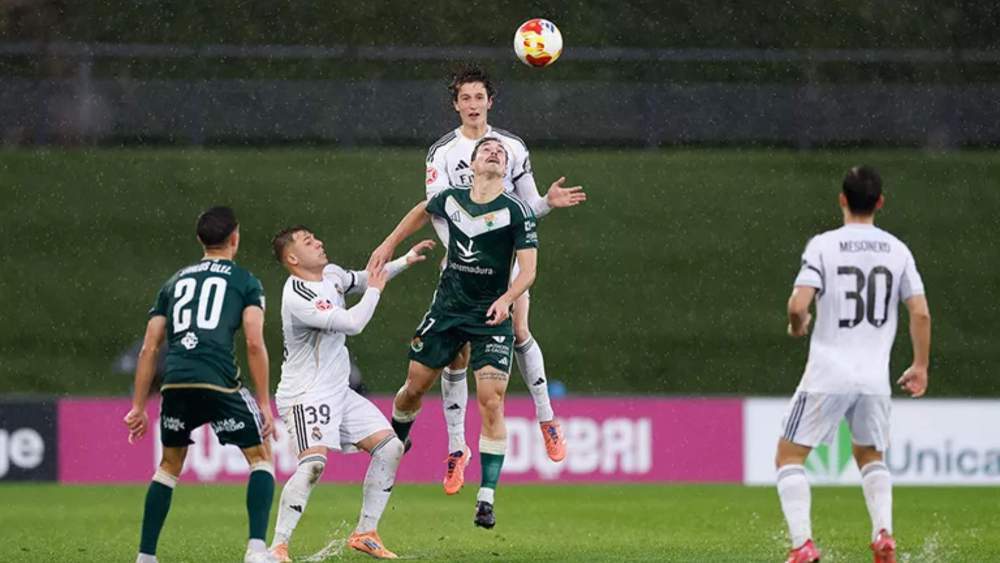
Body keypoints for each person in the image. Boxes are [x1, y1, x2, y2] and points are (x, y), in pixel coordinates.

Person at [421, 64, 586, 494]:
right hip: (459, 262)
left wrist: (546, 203)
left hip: (505, 260)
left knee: (517, 328)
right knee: (454, 353)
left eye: (480, 98)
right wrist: (461, 251)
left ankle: (547, 419)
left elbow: (527, 206)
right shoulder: (440, 153)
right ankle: (457, 448)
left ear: (490, 102)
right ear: (455, 104)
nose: (473, 105)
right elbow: (435, 210)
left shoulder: (512, 146)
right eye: (465, 99)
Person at [370, 137, 538, 528]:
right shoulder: (451, 198)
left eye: (501, 152)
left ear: (507, 167)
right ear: (473, 163)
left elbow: (528, 270)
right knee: (414, 387)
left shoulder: (517, 212)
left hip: (490, 316)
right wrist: (388, 243)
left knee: (491, 399)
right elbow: (421, 210)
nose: (494, 153)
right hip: (447, 311)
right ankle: (397, 440)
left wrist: (508, 298)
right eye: (486, 151)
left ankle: (486, 497)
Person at [777, 166, 932, 563]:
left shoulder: (824, 246)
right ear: (880, 202)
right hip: (873, 378)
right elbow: (920, 314)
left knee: (789, 457)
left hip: (827, 374)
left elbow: (798, 304)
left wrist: (799, 325)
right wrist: (920, 365)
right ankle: (883, 534)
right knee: (870, 456)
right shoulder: (898, 250)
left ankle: (803, 546)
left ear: (842, 199)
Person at [267, 226, 434, 561]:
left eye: (317, 236)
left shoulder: (330, 274)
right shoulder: (297, 296)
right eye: (309, 242)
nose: (319, 242)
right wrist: (375, 291)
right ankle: (278, 548)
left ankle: (365, 532)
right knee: (313, 466)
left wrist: (404, 261)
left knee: (390, 448)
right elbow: (354, 322)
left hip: (338, 391)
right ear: (293, 257)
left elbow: (360, 278)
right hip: (306, 394)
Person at [123, 206, 278, 563]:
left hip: (175, 381)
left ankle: (145, 557)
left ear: (199, 240)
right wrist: (264, 403)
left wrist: (137, 406)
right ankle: (256, 550)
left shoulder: (173, 282)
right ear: (235, 238)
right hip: (219, 381)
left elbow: (149, 346)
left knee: (169, 465)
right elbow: (254, 343)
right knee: (260, 458)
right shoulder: (245, 281)